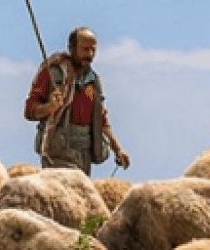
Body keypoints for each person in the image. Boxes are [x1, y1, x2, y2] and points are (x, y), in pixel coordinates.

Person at [24, 26, 130, 175]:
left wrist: (118, 149)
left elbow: (101, 119)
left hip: (84, 151)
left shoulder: (93, 81)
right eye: (85, 49)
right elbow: (29, 110)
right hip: (57, 150)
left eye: (93, 50)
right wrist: (49, 107)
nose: (90, 54)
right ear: (72, 48)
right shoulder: (53, 72)